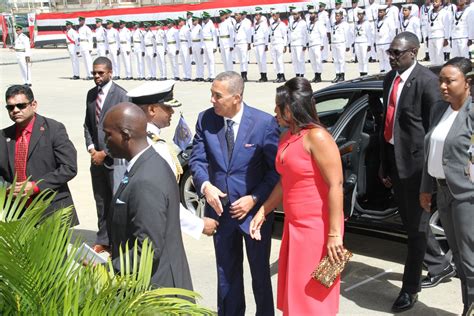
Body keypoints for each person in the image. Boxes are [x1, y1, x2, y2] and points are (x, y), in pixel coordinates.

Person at [249, 77, 345, 315]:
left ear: (290, 109)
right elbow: (287, 180)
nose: (274, 111)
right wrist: (264, 209)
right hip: (294, 227)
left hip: (318, 230)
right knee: (295, 294)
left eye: (278, 106)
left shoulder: (318, 137)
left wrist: (334, 235)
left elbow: (336, 185)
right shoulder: (287, 137)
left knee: (314, 296)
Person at [189, 71, 279, 315]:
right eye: (211, 94)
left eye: (217, 95)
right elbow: (197, 160)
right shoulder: (205, 120)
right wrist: (206, 186)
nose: (212, 100)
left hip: (254, 216)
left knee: (260, 275)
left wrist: (254, 198)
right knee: (226, 275)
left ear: (236, 98)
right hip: (220, 214)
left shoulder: (264, 124)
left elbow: (275, 172)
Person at [380, 32, 454, 312]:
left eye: (397, 53)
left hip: (417, 170)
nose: (391, 56)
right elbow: (387, 126)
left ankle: (410, 289)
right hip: (393, 162)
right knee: (413, 224)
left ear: (414, 52)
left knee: (415, 230)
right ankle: (439, 264)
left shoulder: (426, 83)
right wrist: (384, 164)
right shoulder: (389, 79)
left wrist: (430, 176)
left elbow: (435, 131)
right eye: (390, 51)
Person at [102, 102, 193, 290]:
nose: (105, 141)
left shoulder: (146, 180)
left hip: (157, 291)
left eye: (108, 134)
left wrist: (107, 269)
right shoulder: (146, 163)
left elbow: (148, 249)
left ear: (126, 136)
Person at [120, 81, 219, 239]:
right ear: (152, 109)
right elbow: (165, 200)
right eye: (167, 107)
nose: (172, 111)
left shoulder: (135, 139)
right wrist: (199, 225)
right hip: (155, 229)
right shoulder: (154, 147)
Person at [420, 57, 474, 316]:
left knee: (470, 260)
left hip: (467, 196)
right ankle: (468, 307)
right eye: (440, 80)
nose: (442, 86)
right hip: (443, 193)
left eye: (449, 80)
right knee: (462, 265)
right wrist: (425, 187)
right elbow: (430, 151)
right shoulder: (440, 109)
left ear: (468, 83)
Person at [0, 85, 78, 225]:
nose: (16, 110)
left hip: (51, 209)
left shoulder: (54, 129)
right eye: (10, 107)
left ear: (33, 105)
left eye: (21, 105)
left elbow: (69, 167)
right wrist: (7, 189)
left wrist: (36, 186)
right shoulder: (3, 136)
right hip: (15, 213)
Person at [84, 57, 129, 253]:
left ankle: (119, 241)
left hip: (115, 159)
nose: (96, 76)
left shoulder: (122, 96)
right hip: (96, 158)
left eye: (101, 73)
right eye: (94, 73)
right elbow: (87, 124)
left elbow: (125, 131)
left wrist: (105, 152)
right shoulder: (91, 95)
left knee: (116, 201)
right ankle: (104, 238)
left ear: (110, 72)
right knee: (101, 200)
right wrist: (92, 148)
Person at [330, 10, 351, 83]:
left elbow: (347, 35)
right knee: (335, 60)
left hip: (341, 43)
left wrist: (348, 45)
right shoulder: (334, 24)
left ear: (342, 16)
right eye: (336, 16)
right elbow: (332, 34)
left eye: (338, 15)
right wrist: (331, 43)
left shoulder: (345, 24)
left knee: (341, 60)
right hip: (334, 43)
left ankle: (342, 75)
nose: (336, 17)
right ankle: (337, 74)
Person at [427, 0, 450, 65]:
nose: (434, 3)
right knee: (432, 54)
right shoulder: (430, 12)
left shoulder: (444, 12)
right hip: (431, 36)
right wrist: (427, 36)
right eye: (433, 1)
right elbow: (428, 24)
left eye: (436, 1)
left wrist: (446, 38)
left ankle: (439, 69)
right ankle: (434, 70)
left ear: (440, 2)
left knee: (439, 54)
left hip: (439, 35)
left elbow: (446, 26)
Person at [375, 5, 396, 73]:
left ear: (385, 12)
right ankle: (382, 71)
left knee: (387, 59)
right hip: (379, 43)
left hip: (386, 42)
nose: (379, 13)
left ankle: (388, 72)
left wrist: (392, 42)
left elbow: (392, 31)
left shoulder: (389, 19)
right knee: (381, 59)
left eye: (381, 12)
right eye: (379, 12)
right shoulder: (377, 21)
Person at [307, 8, 326, 83]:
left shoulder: (319, 23)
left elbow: (323, 34)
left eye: (312, 14)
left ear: (316, 15)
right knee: (313, 61)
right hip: (311, 45)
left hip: (317, 44)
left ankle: (319, 75)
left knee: (318, 60)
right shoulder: (309, 24)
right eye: (310, 14)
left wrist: (322, 44)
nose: (311, 15)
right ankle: (315, 74)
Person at [269, 10, 288, 83]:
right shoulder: (271, 25)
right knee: (275, 61)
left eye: (275, 14)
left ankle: (282, 76)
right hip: (273, 44)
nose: (274, 16)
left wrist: (285, 45)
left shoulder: (282, 24)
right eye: (272, 15)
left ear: (278, 15)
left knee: (280, 60)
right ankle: (278, 75)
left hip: (279, 43)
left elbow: (285, 36)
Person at [288, 8, 307, 78]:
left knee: (300, 59)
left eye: (296, 14)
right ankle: (297, 74)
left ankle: (302, 74)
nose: (294, 16)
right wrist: (289, 44)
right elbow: (290, 34)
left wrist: (304, 44)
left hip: (299, 43)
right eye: (293, 14)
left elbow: (305, 34)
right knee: (294, 60)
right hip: (293, 44)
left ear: (299, 14)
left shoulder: (303, 22)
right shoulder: (292, 22)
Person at [353, 9, 373, 77]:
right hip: (357, 42)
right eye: (358, 14)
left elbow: (369, 34)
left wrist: (369, 44)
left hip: (364, 43)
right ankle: (361, 73)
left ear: (364, 15)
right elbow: (354, 33)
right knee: (359, 59)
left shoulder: (367, 23)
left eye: (361, 14)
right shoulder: (356, 23)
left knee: (364, 59)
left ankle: (365, 73)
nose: (359, 15)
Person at [253, 9, 270, 82]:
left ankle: (265, 76)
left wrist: (266, 44)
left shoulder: (263, 23)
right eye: (255, 15)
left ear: (260, 15)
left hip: (262, 43)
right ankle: (261, 75)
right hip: (256, 44)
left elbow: (266, 34)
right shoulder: (255, 23)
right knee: (258, 61)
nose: (256, 16)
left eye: (257, 15)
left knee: (262, 60)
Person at [201, 12, 217, 82]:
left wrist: (215, 46)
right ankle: (209, 75)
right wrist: (202, 46)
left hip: (210, 43)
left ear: (208, 18)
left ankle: (213, 76)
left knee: (211, 60)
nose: (204, 20)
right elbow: (202, 36)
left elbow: (214, 36)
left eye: (205, 19)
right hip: (205, 44)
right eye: (203, 19)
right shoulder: (203, 24)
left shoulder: (211, 25)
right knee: (207, 60)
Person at [190, 15, 204, 82]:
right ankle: (198, 75)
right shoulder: (192, 27)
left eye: (194, 20)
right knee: (196, 61)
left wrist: (202, 47)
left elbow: (202, 38)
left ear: (197, 21)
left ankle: (201, 76)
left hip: (199, 44)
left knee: (200, 61)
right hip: (194, 44)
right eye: (192, 20)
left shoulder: (199, 27)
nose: (193, 21)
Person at [178, 17, 192, 81]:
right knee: (183, 61)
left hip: (185, 45)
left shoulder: (186, 28)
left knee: (187, 61)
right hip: (181, 45)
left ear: (183, 21)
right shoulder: (181, 28)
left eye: (180, 21)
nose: (179, 22)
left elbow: (189, 39)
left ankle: (188, 76)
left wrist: (190, 47)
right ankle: (185, 75)